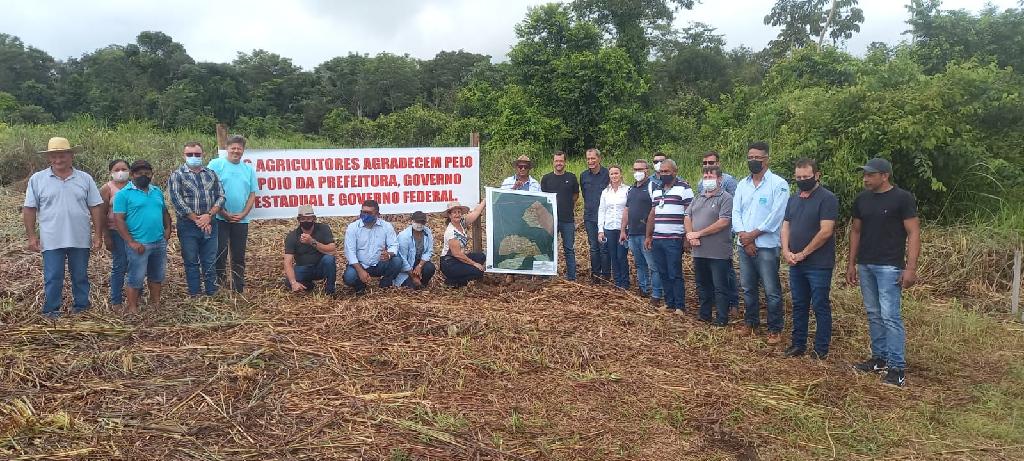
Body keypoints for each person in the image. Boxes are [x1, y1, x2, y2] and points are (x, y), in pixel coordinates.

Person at [847, 158, 920, 388]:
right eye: (864, 175)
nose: (865, 179)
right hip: (866, 264)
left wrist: (910, 268)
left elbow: (914, 233)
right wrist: (851, 263)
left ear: (885, 175)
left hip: (889, 266)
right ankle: (879, 359)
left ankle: (897, 368)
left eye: (870, 175)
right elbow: (856, 231)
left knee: (890, 316)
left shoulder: (902, 198)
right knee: (873, 313)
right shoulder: (862, 199)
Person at [22, 137, 104, 317]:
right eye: (54, 156)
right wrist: (31, 236)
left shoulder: (85, 178)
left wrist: (98, 235)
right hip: (51, 238)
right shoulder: (38, 179)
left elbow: (95, 207)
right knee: (53, 277)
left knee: (80, 276)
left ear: (71, 156)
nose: (58, 160)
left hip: (80, 237)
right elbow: (29, 209)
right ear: (49, 158)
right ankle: (51, 310)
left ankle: (82, 307)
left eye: (62, 156)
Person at [782, 158, 838, 360]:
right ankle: (798, 344)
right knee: (799, 303)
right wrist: (786, 250)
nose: (802, 180)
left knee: (820, 305)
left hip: (818, 264)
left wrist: (803, 253)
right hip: (795, 262)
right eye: (798, 177)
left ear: (817, 175)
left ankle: (820, 349)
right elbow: (786, 225)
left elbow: (826, 231)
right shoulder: (793, 198)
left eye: (806, 177)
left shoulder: (827, 198)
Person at [732, 141, 789, 344]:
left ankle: (775, 328)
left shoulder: (779, 184)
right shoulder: (742, 184)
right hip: (744, 245)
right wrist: (744, 237)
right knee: (747, 287)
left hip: (766, 245)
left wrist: (753, 235)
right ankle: (751, 322)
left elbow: (776, 216)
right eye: (750, 157)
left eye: (758, 157)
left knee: (771, 289)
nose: (753, 161)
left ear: (767, 159)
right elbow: (735, 212)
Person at [111, 160, 171, 314]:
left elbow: (164, 212)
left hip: (158, 241)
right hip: (139, 243)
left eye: (147, 173)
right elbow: (119, 219)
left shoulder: (157, 191)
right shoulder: (123, 195)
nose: (143, 176)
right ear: (132, 175)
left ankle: (155, 303)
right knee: (135, 277)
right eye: (139, 173)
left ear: (151, 175)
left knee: (157, 275)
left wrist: (168, 229)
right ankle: (132, 307)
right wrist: (130, 241)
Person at [168, 141, 224, 297]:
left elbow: (221, 196)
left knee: (210, 260)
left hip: (210, 222)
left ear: (203, 154)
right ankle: (195, 293)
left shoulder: (211, 174)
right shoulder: (177, 175)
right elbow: (177, 200)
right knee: (191, 261)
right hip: (188, 225)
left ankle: (211, 291)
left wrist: (209, 215)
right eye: (190, 154)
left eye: (197, 154)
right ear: (184, 155)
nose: (194, 157)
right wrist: (198, 220)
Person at [208, 134, 258, 293]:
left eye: (239, 148)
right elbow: (209, 190)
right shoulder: (216, 164)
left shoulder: (248, 170)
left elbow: (252, 194)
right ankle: (220, 286)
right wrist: (222, 212)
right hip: (220, 217)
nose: (236, 151)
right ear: (227, 149)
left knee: (238, 256)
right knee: (219, 253)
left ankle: (238, 287)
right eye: (233, 148)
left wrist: (243, 213)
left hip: (241, 220)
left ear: (243, 150)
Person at [685, 165, 734, 326]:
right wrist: (690, 234)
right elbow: (687, 216)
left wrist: (698, 234)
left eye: (711, 177)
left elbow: (723, 222)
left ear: (719, 179)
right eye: (705, 178)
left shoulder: (725, 198)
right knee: (702, 284)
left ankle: (721, 318)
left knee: (720, 286)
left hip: (718, 252)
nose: (708, 180)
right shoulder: (698, 197)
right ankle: (705, 314)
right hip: (699, 250)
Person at [644, 159, 694, 314]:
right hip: (658, 238)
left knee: (675, 273)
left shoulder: (684, 188)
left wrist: (687, 237)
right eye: (661, 172)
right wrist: (648, 235)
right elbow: (653, 213)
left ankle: (680, 306)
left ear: (675, 171)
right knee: (663, 272)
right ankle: (669, 303)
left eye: (667, 171)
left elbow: (690, 213)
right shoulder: (658, 189)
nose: (664, 174)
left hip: (674, 238)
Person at [696, 150, 741, 314]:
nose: (708, 165)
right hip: (704, 237)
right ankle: (714, 302)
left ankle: (733, 302)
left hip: (723, 233)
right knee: (709, 273)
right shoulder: (701, 182)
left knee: (726, 271)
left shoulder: (729, 181)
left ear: (718, 163)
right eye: (705, 163)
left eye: (711, 162)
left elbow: (733, 207)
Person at [621, 159, 662, 305]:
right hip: (632, 233)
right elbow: (626, 210)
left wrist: (650, 234)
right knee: (639, 264)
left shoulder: (653, 186)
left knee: (653, 265)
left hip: (647, 234)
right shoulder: (631, 189)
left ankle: (656, 293)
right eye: (635, 169)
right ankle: (644, 288)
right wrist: (623, 230)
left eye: (641, 169)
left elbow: (656, 209)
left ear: (647, 171)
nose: (637, 172)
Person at [343, 199, 403, 294]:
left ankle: (385, 284)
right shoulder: (352, 228)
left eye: (369, 213)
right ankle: (360, 286)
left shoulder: (386, 226)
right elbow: (350, 253)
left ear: (377, 214)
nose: (365, 215)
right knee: (349, 277)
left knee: (397, 261)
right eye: (363, 212)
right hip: (360, 264)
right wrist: (360, 271)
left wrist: (389, 254)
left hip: (379, 264)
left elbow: (394, 245)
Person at [540, 151, 579, 281]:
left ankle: (571, 276)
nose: (559, 163)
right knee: (548, 247)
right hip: (550, 220)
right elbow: (543, 199)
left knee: (569, 248)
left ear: (565, 162)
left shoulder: (572, 177)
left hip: (567, 220)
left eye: (561, 161)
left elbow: (575, 196)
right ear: (553, 162)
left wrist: (568, 208)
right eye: (556, 161)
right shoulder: (546, 179)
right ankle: (547, 274)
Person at [283, 204, 337, 295]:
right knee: (288, 280)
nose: (306, 221)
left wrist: (312, 242)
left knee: (329, 259)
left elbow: (332, 250)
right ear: (299, 220)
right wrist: (293, 283)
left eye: (308, 219)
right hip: (303, 268)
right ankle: (308, 285)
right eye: (303, 219)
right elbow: (287, 262)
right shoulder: (292, 236)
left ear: (313, 218)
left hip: (321, 267)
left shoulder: (323, 229)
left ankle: (330, 290)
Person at [99, 159, 130, 310]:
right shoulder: (107, 188)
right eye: (117, 170)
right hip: (115, 231)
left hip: (134, 232)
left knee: (135, 264)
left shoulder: (134, 186)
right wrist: (106, 235)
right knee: (120, 264)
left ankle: (135, 295)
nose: (120, 172)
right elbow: (101, 213)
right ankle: (116, 300)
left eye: (124, 169)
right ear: (111, 172)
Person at [439, 200, 487, 287]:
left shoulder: (461, 223)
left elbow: (476, 212)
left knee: (481, 256)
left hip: (457, 259)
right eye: (454, 212)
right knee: (478, 272)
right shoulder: (451, 232)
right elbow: (457, 254)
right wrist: (474, 263)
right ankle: (453, 281)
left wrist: (485, 200)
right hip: (449, 263)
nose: (457, 214)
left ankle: (459, 276)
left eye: (459, 212)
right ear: (449, 215)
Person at [580, 148, 610, 284]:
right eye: (588, 159)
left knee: (604, 247)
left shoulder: (607, 174)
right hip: (590, 217)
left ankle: (606, 275)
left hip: (604, 218)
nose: (590, 161)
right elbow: (584, 194)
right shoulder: (583, 176)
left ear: (599, 158)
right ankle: (595, 274)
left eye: (593, 158)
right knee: (593, 247)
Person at [597, 166, 630, 289]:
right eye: (612, 174)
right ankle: (617, 282)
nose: (614, 176)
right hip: (609, 228)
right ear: (609, 176)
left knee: (622, 255)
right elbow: (601, 211)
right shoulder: (605, 192)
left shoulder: (627, 190)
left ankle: (625, 282)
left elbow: (629, 210)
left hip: (623, 229)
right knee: (613, 256)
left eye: (616, 173)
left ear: (621, 174)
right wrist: (601, 230)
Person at [396, 211, 436, 289]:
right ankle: (415, 281)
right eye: (417, 221)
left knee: (430, 268)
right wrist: (413, 276)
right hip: (406, 265)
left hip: (419, 261)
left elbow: (429, 251)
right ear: (412, 221)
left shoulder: (427, 232)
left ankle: (423, 283)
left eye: (422, 222)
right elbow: (402, 258)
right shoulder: (404, 236)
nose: (420, 224)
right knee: (412, 287)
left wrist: (420, 266)